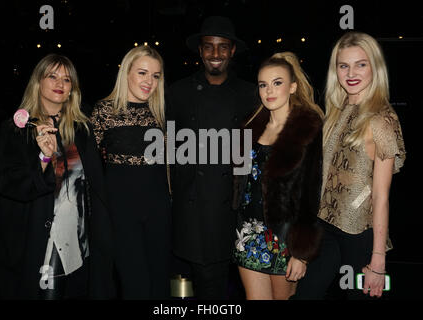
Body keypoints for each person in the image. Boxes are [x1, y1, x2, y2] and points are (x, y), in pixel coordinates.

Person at [293, 32, 406, 300]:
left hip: (360, 233)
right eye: (344, 65)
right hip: (326, 225)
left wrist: (377, 261)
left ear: (375, 67)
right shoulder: (338, 108)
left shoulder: (381, 120)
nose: (351, 73)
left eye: (361, 64)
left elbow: (380, 196)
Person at [0, 54, 114, 299]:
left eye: (67, 79)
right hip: (39, 241)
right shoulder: (16, 130)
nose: (60, 83)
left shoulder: (82, 129)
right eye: (52, 76)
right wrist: (45, 158)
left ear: (72, 89)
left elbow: (95, 185)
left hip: (79, 238)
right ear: (38, 82)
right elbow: (10, 185)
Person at [166, 16, 256, 299]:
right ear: (200, 51)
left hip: (226, 207)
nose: (215, 54)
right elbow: (167, 147)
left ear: (232, 51)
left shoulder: (249, 94)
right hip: (188, 208)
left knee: (215, 282)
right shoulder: (177, 92)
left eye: (222, 47)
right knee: (186, 284)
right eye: (209, 47)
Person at [232, 52, 324, 300]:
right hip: (248, 232)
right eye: (263, 84)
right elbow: (242, 181)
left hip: (285, 237)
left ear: (292, 86)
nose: (269, 91)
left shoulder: (307, 130)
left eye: (277, 82)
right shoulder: (250, 125)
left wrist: (301, 252)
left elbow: (312, 193)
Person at [90, 45, 171, 299]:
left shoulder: (161, 114)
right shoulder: (105, 111)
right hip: (121, 212)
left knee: (160, 284)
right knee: (135, 286)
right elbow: (89, 166)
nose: (149, 81)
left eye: (156, 76)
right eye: (143, 73)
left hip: (159, 210)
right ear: (127, 73)